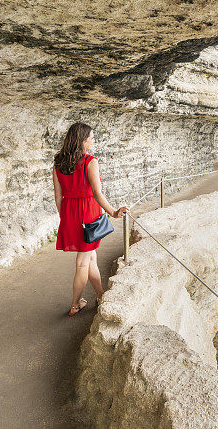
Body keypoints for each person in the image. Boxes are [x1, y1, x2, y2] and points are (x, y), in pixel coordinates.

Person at [52, 122, 129, 316]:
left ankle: (100, 294)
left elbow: (58, 195)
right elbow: (97, 193)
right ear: (82, 141)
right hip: (88, 214)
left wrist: (66, 218)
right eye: (91, 137)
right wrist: (113, 212)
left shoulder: (59, 162)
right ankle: (75, 304)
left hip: (69, 213)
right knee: (82, 263)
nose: (94, 140)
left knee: (91, 257)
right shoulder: (90, 161)